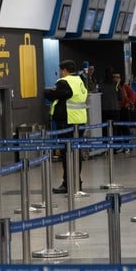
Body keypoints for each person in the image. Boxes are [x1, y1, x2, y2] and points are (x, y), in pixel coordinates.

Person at [45, 59, 88, 194]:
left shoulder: (64, 82)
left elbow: (53, 95)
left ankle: (68, 184)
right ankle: (77, 182)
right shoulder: (80, 80)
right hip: (80, 120)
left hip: (67, 121)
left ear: (64, 70)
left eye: (61, 71)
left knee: (67, 153)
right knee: (76, 152)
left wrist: (45, 91)